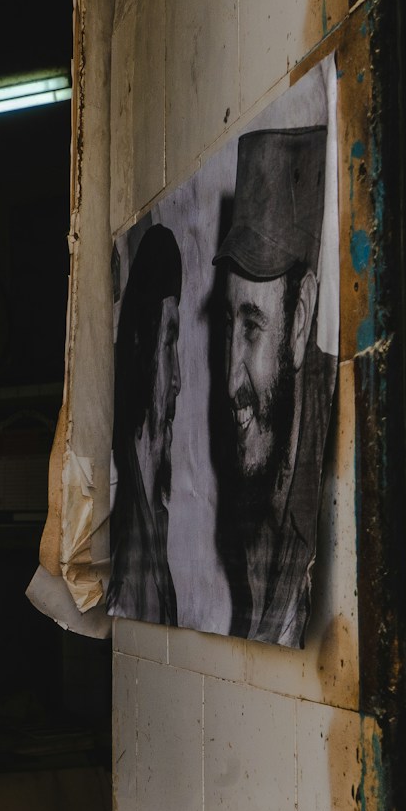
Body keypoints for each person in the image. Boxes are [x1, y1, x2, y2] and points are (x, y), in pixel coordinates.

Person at [212, 126, 335, 646]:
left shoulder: (328, 502)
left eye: (253, 326)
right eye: (227, 325)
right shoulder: (258, 510)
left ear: (302, 316)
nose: (230, 373)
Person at [107, 221, 184, 623]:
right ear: (141, 346)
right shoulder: (126, 535)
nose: (178, 381)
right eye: (169, 342)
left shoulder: (153, 518)